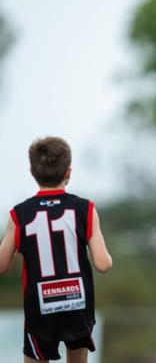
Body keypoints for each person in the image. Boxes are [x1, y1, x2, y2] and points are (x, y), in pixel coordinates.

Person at [0, 137, 112, 363]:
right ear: (68, 172)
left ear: (32, 171)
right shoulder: (85, 209)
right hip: (76, 305)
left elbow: (2, 266)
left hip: (40, 309)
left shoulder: (19, 214)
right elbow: (103, 264)